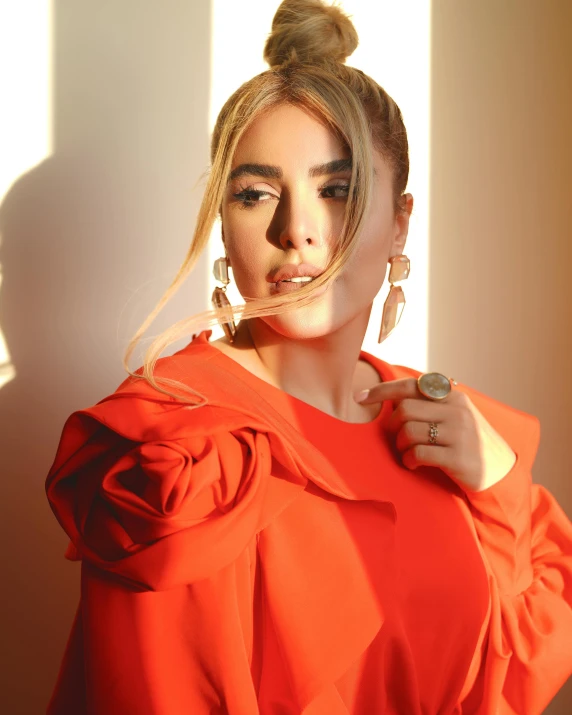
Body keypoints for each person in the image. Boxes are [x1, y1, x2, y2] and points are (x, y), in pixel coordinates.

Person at [45, 1, 572, 713]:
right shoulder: (178, 453)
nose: (298, 231)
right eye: (257, 193)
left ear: (400, 222)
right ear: (224, 225)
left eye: (337, 191)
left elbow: (516, 662)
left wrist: (498, 483)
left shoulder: (439, 421)